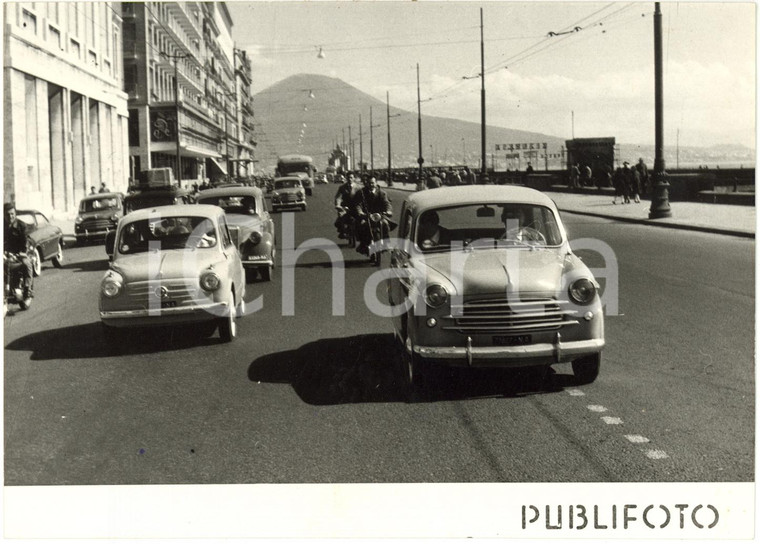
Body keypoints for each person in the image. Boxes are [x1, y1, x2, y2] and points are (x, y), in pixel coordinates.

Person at [351, 176, 393, 255]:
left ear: (376, 183)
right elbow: (358, 204)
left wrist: (388, 211)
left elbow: (387, 203)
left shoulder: (382, 193)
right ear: (367, 183)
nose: (371, 184)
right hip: (366, 216)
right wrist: (360, 212)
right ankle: (363, 244)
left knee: (385, 224)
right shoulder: (362, 193)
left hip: (379, 215)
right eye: (369, 183)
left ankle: (386, 243)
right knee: (362, 225)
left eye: (373, 183)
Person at [4, 203, 33, 301]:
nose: (10, 216)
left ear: (15, 214)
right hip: (6, 254)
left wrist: (21, 253)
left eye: (12, 214)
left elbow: (25, 242)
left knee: (26, 264)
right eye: (7, 214)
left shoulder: (22, 226)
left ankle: (28, 289)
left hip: (20, 253)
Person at [334, 173, 357, 240]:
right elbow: (338, 197)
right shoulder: (342, 187)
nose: (350, 179)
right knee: (341, 218)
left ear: (354, 178)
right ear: (346, 178)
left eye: (351, 177)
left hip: (356, 207)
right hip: (345, 207)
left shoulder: (358, 187)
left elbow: (362, 197)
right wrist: (338, 205)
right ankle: (342, 231)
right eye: (348, 178)